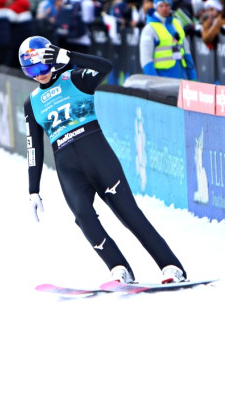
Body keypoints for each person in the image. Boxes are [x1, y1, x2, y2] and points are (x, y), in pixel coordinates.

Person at [19, 36, 188, 284]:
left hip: (99, 159)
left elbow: (105, 67)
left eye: (42, 66)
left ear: (52, 60)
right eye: (31, 71)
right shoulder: (32, 102)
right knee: (84, 219)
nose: (40, 74)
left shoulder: (75, 78)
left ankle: (171, 266)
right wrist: (33, 190)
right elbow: (33, 147)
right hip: (69, 170)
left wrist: (68, 55)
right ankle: (119, 268)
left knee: (131, 216)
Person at [139, 0, 197, 79]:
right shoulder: (149, 29)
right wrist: (154, 82)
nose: (164, 8)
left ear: (171, 7)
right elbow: (146, 60)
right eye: (161, 6)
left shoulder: (177, 24)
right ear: (155, 7)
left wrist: (193, 78)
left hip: (180, 77)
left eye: (167, 5)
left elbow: (187, 53)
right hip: (162, 79)